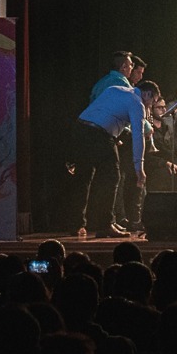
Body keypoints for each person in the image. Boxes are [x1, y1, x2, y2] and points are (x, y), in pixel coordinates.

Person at [72, 79, 160, 238]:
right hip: (99, 135)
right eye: (152, 102)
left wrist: (116, 133)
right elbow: (138, 136)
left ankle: (76, 224)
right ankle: (105, 225)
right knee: (112, 177)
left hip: (80, 129)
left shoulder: (115, 89)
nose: (150, 106)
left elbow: (106, 111)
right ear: (147, 94)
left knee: (83, 178)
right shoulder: (137, 103)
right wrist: (139, 168)